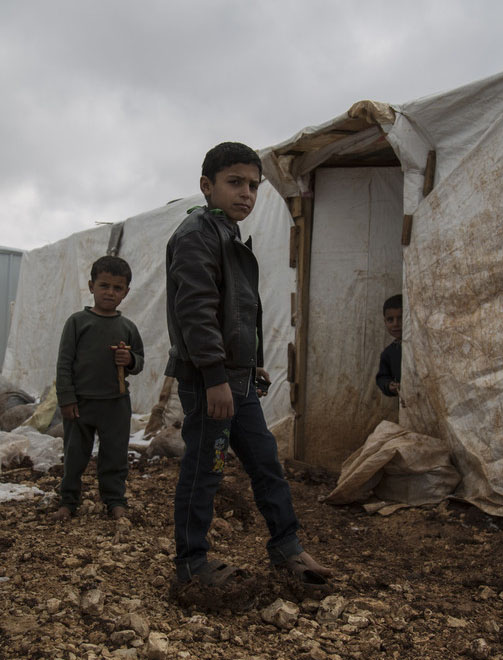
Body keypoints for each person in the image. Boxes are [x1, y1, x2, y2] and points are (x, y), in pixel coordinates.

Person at [164, 141, 334, 591]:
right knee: (205, 470)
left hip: (236, 380)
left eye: (254, 186)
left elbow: (236, 312)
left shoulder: (226, 233)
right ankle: (191, 565)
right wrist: (215, 377)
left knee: (265, 463)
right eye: (235, 182)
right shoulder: (197, 235)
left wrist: (250, 363)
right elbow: (196, 312)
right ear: (207, 185)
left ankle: (287, 546)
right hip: (210, 384)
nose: (246, 193)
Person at [52, 255, 144, 521]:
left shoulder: (128, 327)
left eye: (117, 288)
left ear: (126, 292)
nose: (110, 292)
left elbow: (139, 361)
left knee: (115, 457)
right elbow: (64, 363)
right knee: (74, 456)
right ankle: (68, 501)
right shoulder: (77, 322)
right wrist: (66, 399)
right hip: (81, 404)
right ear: (92, 286)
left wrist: (129, 359)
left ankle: (115, 501)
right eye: (104, 285)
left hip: (116, 403)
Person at [375, 294, 402, 397]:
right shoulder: (388, 353)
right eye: (390, 320)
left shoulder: (421, 346)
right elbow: (382, 377)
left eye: (400, 318)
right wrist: (389, 385)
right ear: (385, 322)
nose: (395, 324)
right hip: (406, 402)